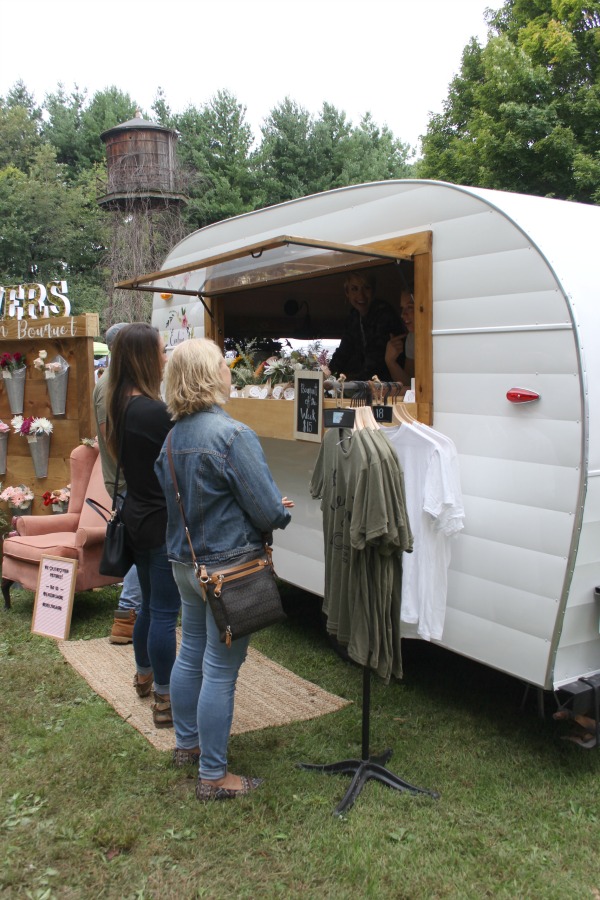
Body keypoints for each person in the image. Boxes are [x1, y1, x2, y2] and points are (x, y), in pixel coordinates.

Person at [155, 338, 293, 800]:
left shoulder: (173, 437)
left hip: (185, 565)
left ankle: (186, 745)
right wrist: (277, 508)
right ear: (208, 376)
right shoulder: (232, 435)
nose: (230, 371)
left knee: (191, 651)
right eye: (222, 364)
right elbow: (270, 513)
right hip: (227, 572)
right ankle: (213, 777)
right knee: (219, 668)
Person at [106, 323, 181, 728]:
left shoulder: (121, 402)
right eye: (160, 350)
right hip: (159, 523)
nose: (165, 356)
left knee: (150, 607)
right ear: (144, 358)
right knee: (164, 612)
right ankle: (165, 699)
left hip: (137, 515)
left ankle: (143, 673)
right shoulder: (153, 411)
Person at [93, 321, 143, 645]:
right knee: (147, 550)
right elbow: (110, 435)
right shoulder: (110, 384)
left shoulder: (117, 381)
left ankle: (130, 612)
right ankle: (126, 614)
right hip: (127, 481)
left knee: (143, 547)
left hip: (127, 480)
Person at [329, 271, 406, 382]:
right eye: (355, 289)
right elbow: (343, 352)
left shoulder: (384, 313)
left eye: (366, 288)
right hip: (368, 382)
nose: (361, 295)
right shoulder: (354, 316)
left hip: (388, 384)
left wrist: (354, 382)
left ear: (373, 291)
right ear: (347, 292)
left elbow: (376, 359)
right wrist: (328, 376)